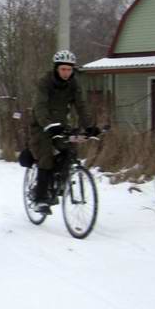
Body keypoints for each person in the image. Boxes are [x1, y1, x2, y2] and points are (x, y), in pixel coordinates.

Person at [30, 49, 99, 213]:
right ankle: (40, 199)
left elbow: (81, 106)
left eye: (69, 69)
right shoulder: (45, 82)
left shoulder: (73, 84)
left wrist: (89, 126)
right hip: (42, 125)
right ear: (56, 68)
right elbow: (40, 106)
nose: (66, 72)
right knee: (46, 156)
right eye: (63, 69)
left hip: (61, 124)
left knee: (69, 150)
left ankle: (60, 182)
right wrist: (47, 124)